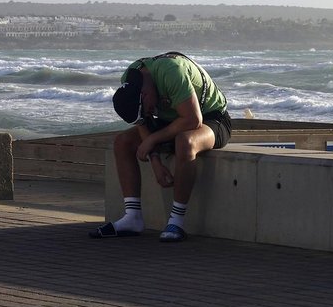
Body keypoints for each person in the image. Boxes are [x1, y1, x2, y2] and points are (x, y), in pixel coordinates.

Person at [89, 51, 232, 242]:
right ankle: (132, 218)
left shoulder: (171, 72)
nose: (149, 113)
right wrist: (154, 160)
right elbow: (143, 123)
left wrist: (152, 140)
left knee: (185, 141)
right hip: (173, 120)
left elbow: (192, 120)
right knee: (123, 142)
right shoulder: (131, 76)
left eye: (147, 110)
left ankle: (176, 222)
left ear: (146, 94)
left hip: (211, 119)